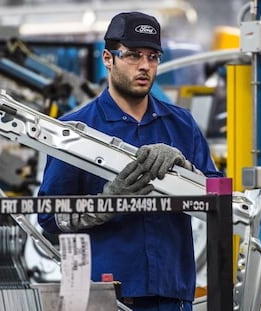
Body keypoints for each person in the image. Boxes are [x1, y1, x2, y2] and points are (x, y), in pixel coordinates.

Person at [38, 11, 222, 311]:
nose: (145, 66)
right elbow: (48, 217)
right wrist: (106, 203)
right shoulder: (75, 131)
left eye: (153, 57)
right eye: (133, 55)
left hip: (172, 295)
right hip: (107, 298)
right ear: (108, 59)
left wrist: (185, 171)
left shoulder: (181, 125)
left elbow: (218, 199)